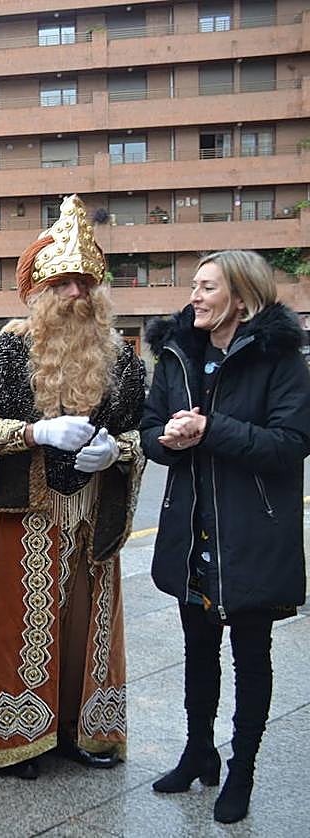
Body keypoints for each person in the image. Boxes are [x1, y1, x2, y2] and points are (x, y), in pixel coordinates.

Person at [0, 194, 145, 778]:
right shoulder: (8, 352)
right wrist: (34, 431)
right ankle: (17, 735)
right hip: (30, 514)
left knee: (86, 623)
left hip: (94, 512)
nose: (76, 295)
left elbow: (138, 439)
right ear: (39, 291)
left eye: (85, 282)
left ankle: (78, 728)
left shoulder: (123, 358)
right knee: (18, 621)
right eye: (64, 283)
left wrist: (115, 453)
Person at [141, 250, 310, 823]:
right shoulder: (176, 352)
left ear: (241, 297)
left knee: (251, 657)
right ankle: (197, 753)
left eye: (207, 287)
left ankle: (241, 772)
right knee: (197, 650)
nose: (194, 295)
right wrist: (166, 438)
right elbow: (147, 430)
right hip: (193, 527)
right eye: (193, 284)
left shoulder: (280, 356)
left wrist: (210, 430)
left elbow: (290, 443)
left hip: (252, 532)